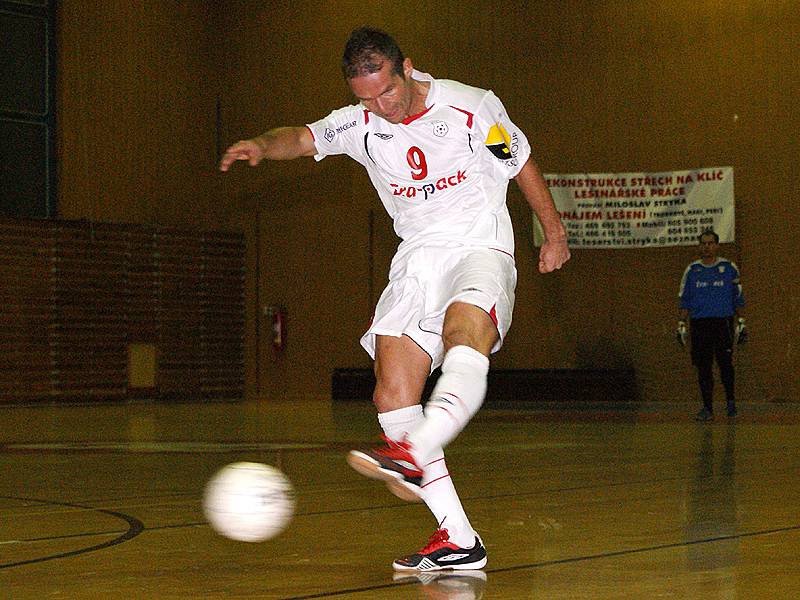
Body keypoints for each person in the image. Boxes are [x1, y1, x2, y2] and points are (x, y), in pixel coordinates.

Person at [219, 26, 570, 571]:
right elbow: (305, 137)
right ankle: (458, 537)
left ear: (407, 68)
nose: (379, 107)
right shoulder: (362, 123)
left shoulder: (471, 108)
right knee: (391, 394)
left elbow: (517, 161)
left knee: (462, 336)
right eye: (365, 97)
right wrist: (263, 145)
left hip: (479, 246)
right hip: (417, 259)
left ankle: (418, 450)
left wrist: (554, 231)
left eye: (387, 91)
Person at [678, 229, 746, 421]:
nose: (707, 247)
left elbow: (738, 297)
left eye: (710, 243)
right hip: (700, 324)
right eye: (703, 243)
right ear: (700, 246)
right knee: (703, 366)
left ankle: (731, 403)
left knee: (725, 364)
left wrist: (741, 321)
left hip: (722, 322)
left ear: (717, 245)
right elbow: (685, 300)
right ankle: (707, 407)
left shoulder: (729, 267)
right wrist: (681, 323)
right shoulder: (692, 271)